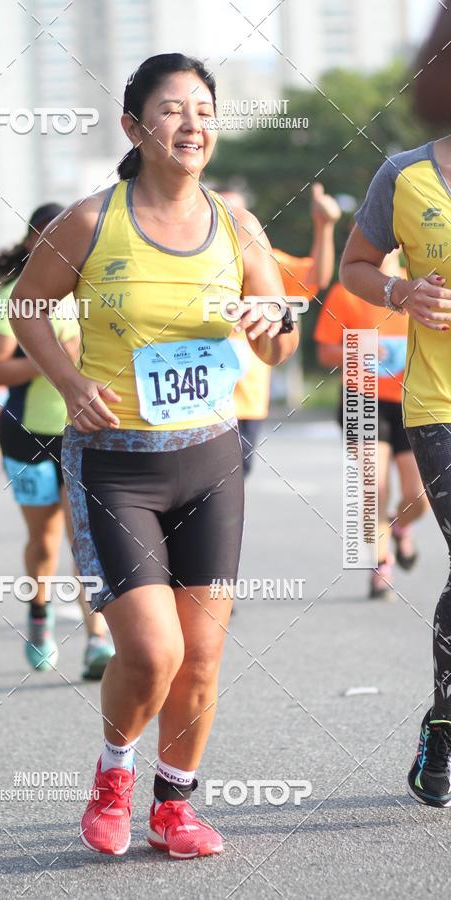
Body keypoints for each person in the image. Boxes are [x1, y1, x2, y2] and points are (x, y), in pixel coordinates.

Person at [9, 53, 299, 858]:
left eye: (203, 110)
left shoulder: (238, 225)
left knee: (201, 657)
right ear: (134, 128)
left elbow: (280, 341)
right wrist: (70, 382)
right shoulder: (89, 222)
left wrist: (272, 324)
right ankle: (113, 776)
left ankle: (175, 806)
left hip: (210, 460)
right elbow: (27, 305)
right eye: (172, 110)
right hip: (115, 464)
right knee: (152, 651)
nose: (192, 124)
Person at [340, 135, 451, 808]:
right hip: (438, 405)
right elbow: (353, 266)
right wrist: (401, 290)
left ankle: (443, 718)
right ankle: (445, 730)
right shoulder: (405, 175)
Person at [0, 204, 114, 679]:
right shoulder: (13, 298)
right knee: (43, 539)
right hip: (27, 437)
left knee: (85, 539)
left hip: (85, 431)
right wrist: (52, 358)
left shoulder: (95, 292)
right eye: (45, 238)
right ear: (29, 242)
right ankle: (40, 617)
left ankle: (97, 639)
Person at [315, 249, 428, 601]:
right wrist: (357, 350)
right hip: (362, 399)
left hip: (411, 400)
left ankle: (399, 525)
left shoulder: (419, 285)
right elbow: (324, 351)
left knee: (419, 495)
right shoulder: (346, 289)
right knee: (373, 487)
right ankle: (381, 565)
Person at [218, 184, 340, 475]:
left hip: (246, 402)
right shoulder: (186, 261)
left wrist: (323, 226)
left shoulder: (261, 259)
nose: (231, 218)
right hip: (197, 399)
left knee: (234, 481)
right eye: (223, 211)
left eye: (238, 211)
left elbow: (315, 277)